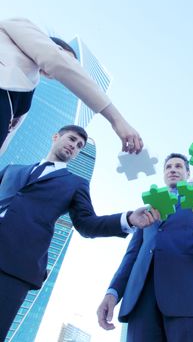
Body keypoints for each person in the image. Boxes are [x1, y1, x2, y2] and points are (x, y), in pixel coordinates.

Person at [0, 125, 158, 341]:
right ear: (56, 137)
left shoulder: (75, 184)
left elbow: (88, 224)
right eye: (71, 139)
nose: (74, 146)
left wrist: (129, 218)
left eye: (79, 146)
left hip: (14, 267)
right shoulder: (11, 169)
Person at [97, 153, 193, 342]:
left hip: (189, 298)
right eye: (168, 167)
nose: (173, 169)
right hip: (142, 303)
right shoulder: (147, 210)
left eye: (178, 166)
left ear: (187, 173)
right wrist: (113, 292)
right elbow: (132, 255)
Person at [0, 17, 142, 154]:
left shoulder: (27, 84)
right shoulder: (18, 25)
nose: (66, 68)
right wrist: (117, 120)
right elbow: (56, 60)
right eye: (68, 60)